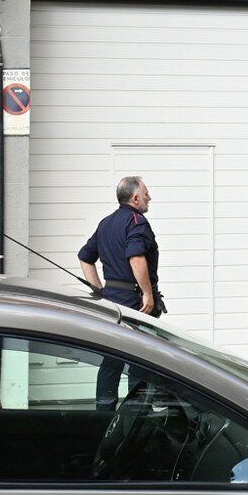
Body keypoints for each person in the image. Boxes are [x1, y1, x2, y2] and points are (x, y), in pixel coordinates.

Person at [78, 175, 160, 409]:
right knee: (140, 356)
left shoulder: (106, 222)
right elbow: (136, 257)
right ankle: (139, 411)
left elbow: (85, 258)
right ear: (135, 198)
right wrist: (147, 293)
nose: (149, 197)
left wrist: (99, 291)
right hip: (134, 301)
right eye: (146, 194)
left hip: (112, 301)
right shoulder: (136, 221)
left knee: (111, 358)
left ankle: (104, 409)